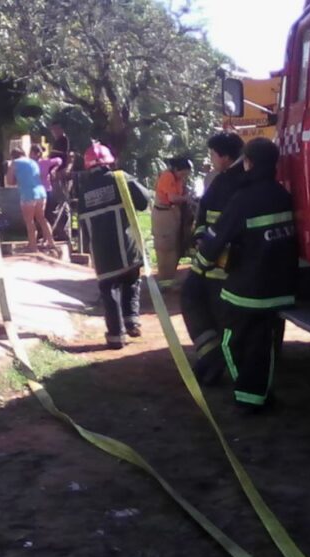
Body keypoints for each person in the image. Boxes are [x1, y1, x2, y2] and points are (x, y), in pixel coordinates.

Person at [194, 138, 298, 413]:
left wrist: (200, 265)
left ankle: (248, 396)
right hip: (278, 290)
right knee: (263, 344)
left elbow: (216, 239)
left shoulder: (243, 198)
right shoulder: (283, 196)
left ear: (249, 162)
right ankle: (259, 396)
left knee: (232, 340)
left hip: (246, 290)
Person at [182, 131, 246, 385]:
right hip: (211, 257)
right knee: (194, 298)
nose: (211, 159)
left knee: (203, 304)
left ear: (225, 157)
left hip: (223, 264)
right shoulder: (223, 179)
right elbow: (204, 213)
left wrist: (206, 246)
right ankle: (212, 357)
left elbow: (225, 225)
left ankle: (215, 360)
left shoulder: (237, 181)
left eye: (212, 154)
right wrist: (199, 236)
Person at [73, 142, 151, 349]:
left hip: (101, 252)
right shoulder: (120, 178)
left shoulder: (83, 190)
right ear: (109, 162)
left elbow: (82, 223)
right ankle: (132, 321)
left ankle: (116, 337)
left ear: (88, 165)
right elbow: (144, 201)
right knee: (131, 282)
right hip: (126, 248)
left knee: (109, 291)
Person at [6, 148, 57, 252]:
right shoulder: (33, 162)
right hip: (41, 192)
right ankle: (51, 242)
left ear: (12, 156)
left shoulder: (14, 163)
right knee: (42, 218)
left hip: (28, 194)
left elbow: (9, 181)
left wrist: (17, 179)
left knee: (29, 221)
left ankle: (33, 246)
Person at [153, 157, 193, 285]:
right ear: (176, 169)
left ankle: (169, 279)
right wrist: (187, 198)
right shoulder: (167, 176)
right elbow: (173, 198)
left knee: (175, 246)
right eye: (184, 173)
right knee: (165, 248)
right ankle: (164, 280)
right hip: (163, 213)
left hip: (173, 213)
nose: (185, 176)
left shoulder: (179, 179)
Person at [31, 144, 68, 241]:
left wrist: (54, 170)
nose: (31, 155)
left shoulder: (45, 162)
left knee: (46, 216)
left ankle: (47, 238)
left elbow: (59, 160)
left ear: (37, 153)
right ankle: (42, 236)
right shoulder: (30, 164)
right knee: (37, 216)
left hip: (46, 191)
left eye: (33, 153)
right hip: (36, 192)